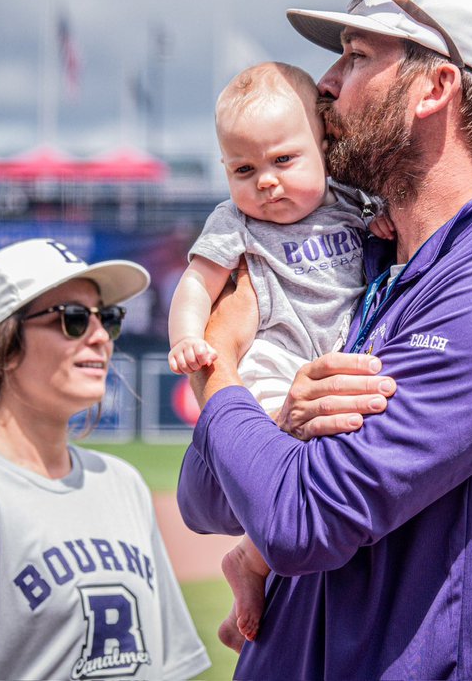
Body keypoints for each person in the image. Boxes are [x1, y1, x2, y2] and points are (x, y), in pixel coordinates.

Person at [177, 0, 472, 679]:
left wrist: (219, 363)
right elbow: (206, 498)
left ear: (435, 87)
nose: (327, 84)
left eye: (357, 56)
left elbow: (298, 520)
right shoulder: (376, 267)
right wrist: (276, 425)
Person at [0, 238, 210, 681]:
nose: (101, 336)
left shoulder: (121, 483)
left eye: (107, 317)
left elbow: (165, 669)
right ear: (4, 347)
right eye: (72, 319)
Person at [167, 60, 391, 650]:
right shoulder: (233, 222)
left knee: (330, 476)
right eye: (244, 168)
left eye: (283, 161)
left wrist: (385, 219)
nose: (265, 182)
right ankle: (254, 569)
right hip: (271, 366)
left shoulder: (351, 202)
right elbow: (195, 284)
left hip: (335, 359)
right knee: (283, 478)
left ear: (323, 146)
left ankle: (251, 565)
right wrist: (189, 336)